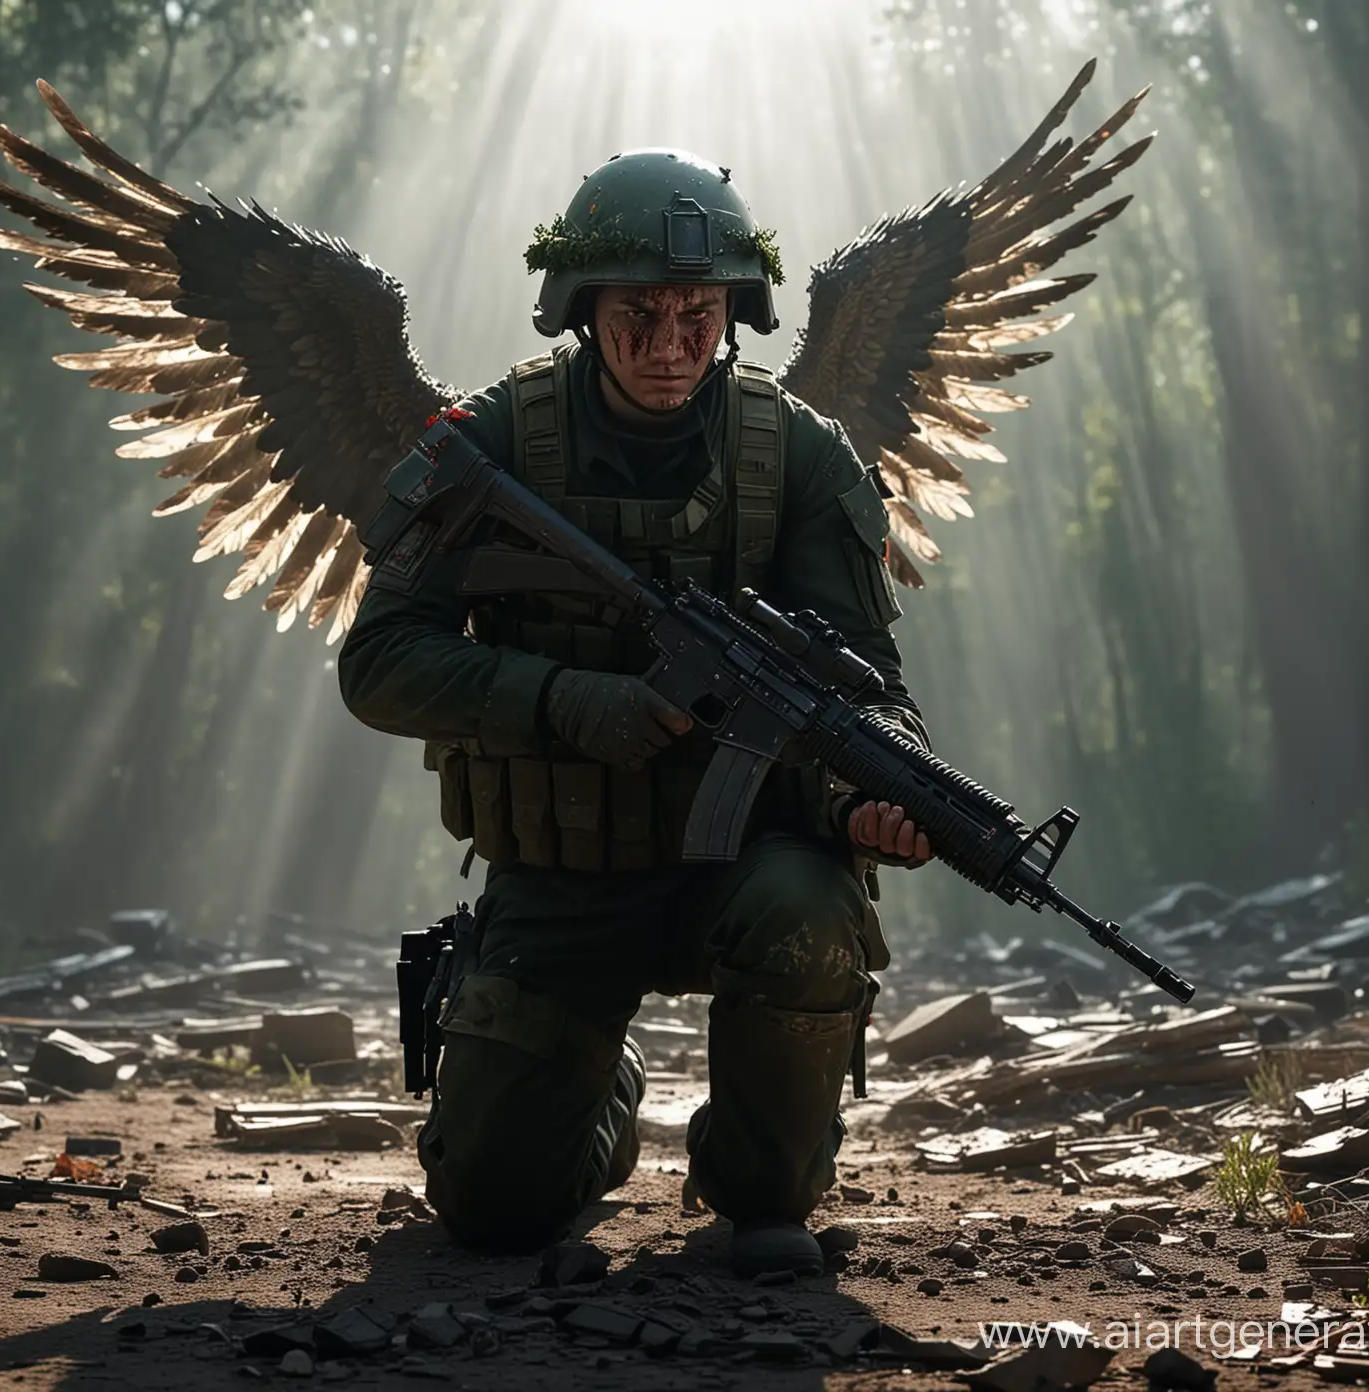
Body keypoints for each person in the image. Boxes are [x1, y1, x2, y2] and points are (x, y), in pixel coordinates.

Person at [337, 148, 933, 1279]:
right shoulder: (490, 446)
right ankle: (593, 1089)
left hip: (749, 864)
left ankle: (753, 1161)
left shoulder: (796, 453)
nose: (670, 344)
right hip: (562, 873)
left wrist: (871, 792)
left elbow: (870, 686)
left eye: (697, 315)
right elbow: (379, 664)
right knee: (498, 1214)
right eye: (639, 315)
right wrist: (568, 702)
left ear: (734, 315)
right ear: (580, 311)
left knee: (772, 1198)